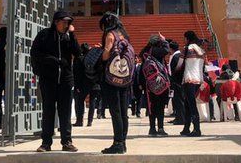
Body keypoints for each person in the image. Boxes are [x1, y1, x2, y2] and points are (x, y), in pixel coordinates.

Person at [30, 10, 80, 152]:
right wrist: (50, 62)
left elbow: (77, 53)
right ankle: (46, 143)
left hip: (65, 80)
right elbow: (35, 54)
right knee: (48, 111)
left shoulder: (68, 37)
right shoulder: (44, 36)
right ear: (56, 22)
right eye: (64, 22)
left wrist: (73, 35)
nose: (66, 25)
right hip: (48, 80)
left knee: (65, 112)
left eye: (68, 22)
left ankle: (67, 141)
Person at [99, 12, 135, 155]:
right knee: (123, 112)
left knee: (115, 111)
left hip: (112, 78)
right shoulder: (124, 35)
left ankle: (117, 143)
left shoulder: (110, 35)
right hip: (125, 78)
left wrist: (99, 52)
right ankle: (123, 143)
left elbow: (106, 54)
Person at [141, 34, 170, 136]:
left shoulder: (145, 51)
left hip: (148, 83)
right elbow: (167, 50)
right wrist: (164, 40)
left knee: (151, 106)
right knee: (160, 106)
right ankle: (160, 128)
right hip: (159, 82)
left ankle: (152, 128)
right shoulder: (156, 51)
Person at [179, 31, 205, 137]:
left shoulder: (187, 49)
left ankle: (197, 129)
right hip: (198, 80)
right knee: (188, 104)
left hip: (189, 79)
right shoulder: (201, 50)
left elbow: (179, 65)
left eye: (184, 38)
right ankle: (186, 128)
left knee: (191, 105)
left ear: (187, 38)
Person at [72, 43, 93, 127]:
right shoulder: (91, 59)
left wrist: (77, 86)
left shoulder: (78, 59)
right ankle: (89, 121)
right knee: (92, 103)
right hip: (91, 83)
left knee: (79, 103)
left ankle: (79, 120)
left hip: (81, 85)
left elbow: (77, 74)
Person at [168, 40, 185, 125]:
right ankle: (178, 117)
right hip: (177, 81)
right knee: (176, 100)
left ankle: (181, 118)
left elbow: (177, 70)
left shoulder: (176, 56)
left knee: (179, 100)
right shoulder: (178, 55)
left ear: (171, 48)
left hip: (177, 82)